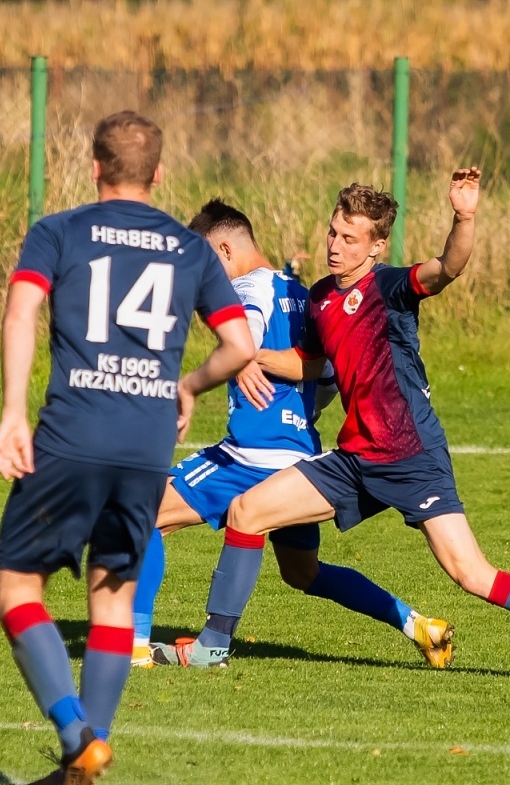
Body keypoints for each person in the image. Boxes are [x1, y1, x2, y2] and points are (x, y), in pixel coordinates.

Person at [225, 174, 510, 684]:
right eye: (332, 233)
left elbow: (447, 267)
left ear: (376, 245)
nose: (335, 246)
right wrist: (247, 354)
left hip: (412, 457)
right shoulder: (322, 297)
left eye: (349, 238)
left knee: (471, 574)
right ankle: (215, 645)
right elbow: (311, 364)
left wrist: (465, 218)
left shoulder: (388, 289)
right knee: (249, 510)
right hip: (355, 459)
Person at [0, 112, 255, 785]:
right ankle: (85, 761)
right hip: (145, 448)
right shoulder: (189, 248)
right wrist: (188, 384)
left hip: (71, 435)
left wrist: (14, 412)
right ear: (160, 173)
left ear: (94, 166)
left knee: (16, 589)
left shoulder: (58, 231)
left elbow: (20, 314)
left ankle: (77, 733)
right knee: (112, 599)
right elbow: (240, 345)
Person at [130, 199, 454, 670]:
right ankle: (416, 624)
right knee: (302, 573)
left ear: (223, 249)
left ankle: (135, 646)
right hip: (300, 459)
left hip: (252, 456)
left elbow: (246, 333)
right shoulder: (306, 296)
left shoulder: (244, 290)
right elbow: (324, 378)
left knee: (140, 514)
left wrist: (239, 359)